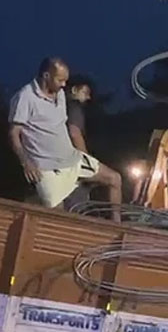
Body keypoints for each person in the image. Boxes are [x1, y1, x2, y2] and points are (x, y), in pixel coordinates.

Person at [7, 58, 122, 221]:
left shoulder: (60, 94)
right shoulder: (25, 97)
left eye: (65, 80)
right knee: (60, 217)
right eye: (60, 80)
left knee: (114, 179)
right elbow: (13, 133)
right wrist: (26, 162)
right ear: (46, 76)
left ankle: (117, 228)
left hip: (72, 159)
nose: (63, 85)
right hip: (47, 168)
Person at [62, 75, 94, 209]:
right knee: (114, 179)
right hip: (72, 160)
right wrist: (87, 160)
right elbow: (74, 132)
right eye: (85, 93)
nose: (88, 98)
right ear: (75, 90)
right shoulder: (75, 108)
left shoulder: (61, 106)